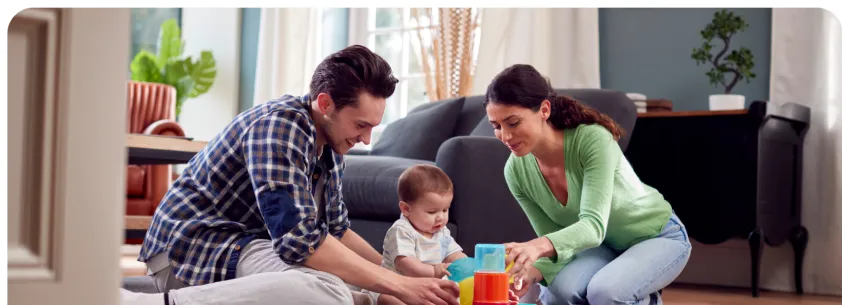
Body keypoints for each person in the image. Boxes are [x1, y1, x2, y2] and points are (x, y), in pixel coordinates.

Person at [120, 45, 460, 305]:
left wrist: (397, 276)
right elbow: (301, 243)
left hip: (246, 246)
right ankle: (152, 302)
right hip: (194, 250)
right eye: (360, 125)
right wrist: (400, 284)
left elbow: (337, 233)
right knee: (330, 289)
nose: (366, 140)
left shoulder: (330, 145)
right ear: (325, 104)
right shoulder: (279, 127)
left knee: (351, 284)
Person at [483, 64, 692, 305]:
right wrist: (532, 272)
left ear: (544, 109)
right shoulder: (516, 171)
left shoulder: (592, 139)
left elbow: (593, 226)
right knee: (557, 293)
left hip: (656, 236)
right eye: (497, 126)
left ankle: (644, 299)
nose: (505, 136)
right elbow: (555, 240)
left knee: (605, 293)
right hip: (601, 247)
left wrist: (534, 247)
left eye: (513, 123)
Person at [373, 164, 468, 305]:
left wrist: (467, 264)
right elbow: (407, 265)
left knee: (454, 293)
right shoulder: (401, 230)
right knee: (389, 300)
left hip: (427, 288)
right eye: (432, 212)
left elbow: (453, 254)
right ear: (406, 209)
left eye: (445, 210)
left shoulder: (441, 231)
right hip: (396, 287)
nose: (440, 217)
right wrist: (434, 271)